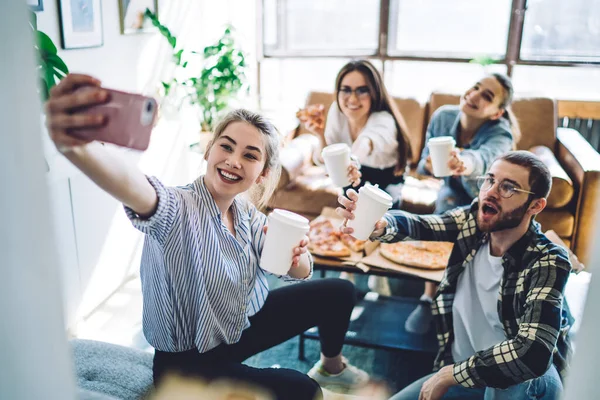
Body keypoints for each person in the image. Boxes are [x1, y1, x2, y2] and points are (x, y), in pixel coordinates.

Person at [46, 74, 370, 400]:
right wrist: (76, 147)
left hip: (237, 329)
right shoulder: (177, 208)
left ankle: (332, 367)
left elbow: (299, 270)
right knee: (303, 390)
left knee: (340, 291)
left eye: (249, 155)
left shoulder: (246, 214)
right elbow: (137, 187)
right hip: (186, 364)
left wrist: (298, 259)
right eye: (226, 147)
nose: (233, 160)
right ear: (208, 151)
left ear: (264, 173)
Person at [337, 151, 572, 400]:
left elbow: (533, 353)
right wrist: (381, 224)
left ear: (535, 205)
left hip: (510, 383)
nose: (491, 192)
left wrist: (451, 374)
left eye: (508, 188)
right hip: (466, 376)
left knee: (525, 377)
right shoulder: (473, 220)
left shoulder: (547, 260)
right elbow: (422, 224)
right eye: (489, 180)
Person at [407, 73, 521, 334]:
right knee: (445, 206)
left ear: (496, 112)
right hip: (450, 192)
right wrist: (429, 164)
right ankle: (429, 296)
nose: (475, 95)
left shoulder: (500, 134)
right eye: (476, 87)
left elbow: (483, 159)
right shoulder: (444, 116)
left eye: (487, 96)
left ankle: (472, 303)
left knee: (475, 218)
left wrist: (462, 163)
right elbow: (427, 161)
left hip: (488, 195)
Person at [303, 59, 413, 295]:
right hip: (354, 173)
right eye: (346, 90)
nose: (352, 99)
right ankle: (350, 268)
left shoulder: (383, 119)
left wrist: (352, 160)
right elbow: (328, 157)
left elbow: (367, 142)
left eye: (362, 90)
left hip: (385, 177)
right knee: (349, 207)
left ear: (374, 93)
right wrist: (321, 134)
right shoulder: (336, 112)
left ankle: (375, 265)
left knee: (382, 219)